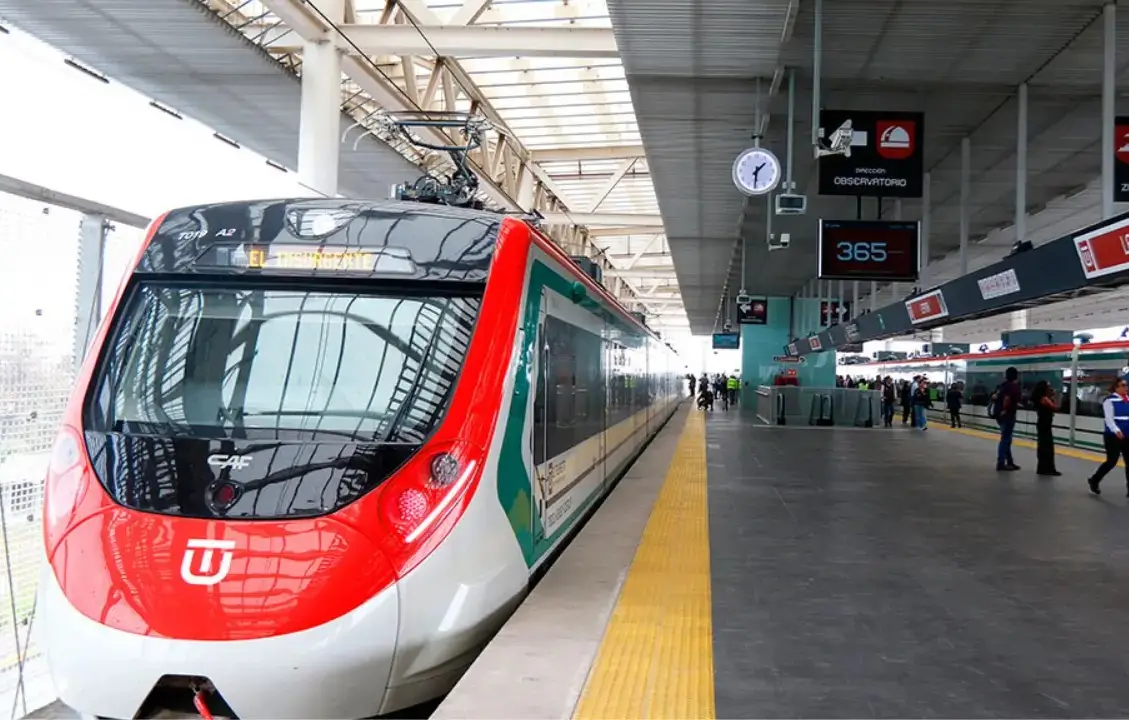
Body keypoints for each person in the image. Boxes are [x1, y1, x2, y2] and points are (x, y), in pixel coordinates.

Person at [1086, 377, 1129, 496]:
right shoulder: (1109, 401)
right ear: (1116, 388)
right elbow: (1109, 419)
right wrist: (1116, 430)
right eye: (1123, 385)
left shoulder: (1127, 399)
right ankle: (1094, 480)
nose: (1126, 388)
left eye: (1126, 385)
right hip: (1113, 436)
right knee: (1112, 461)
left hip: (1127, 435)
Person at [994, 366, 1022, 471]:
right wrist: (1005, 410)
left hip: (999, 415)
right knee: (1005, 439)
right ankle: (1001, 463)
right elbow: (1007, 399)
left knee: (1007, 439)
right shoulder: (1014, 387)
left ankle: (1009, 461)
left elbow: (995, 397)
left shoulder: (1002, 385)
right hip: (1007, 415)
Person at [1031, 380, 1061, 477]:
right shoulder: (1044, 399)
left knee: (1043, 447)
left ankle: (1042, 468)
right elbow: (1055, 407)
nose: (1050, 388)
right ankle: (1048, 469)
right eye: (1048, 387)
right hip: (1045, 425)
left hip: (1042, 424)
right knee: (1047, 447)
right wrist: (1055, 397)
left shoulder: (1040, 399)